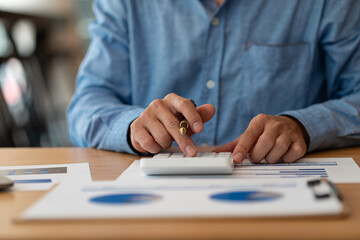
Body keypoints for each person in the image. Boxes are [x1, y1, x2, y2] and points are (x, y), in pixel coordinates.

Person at [67, 0, 360, 164]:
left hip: (281, 191)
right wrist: (132, 127)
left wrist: (304, 126)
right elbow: (87, 104)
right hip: (154, 198)